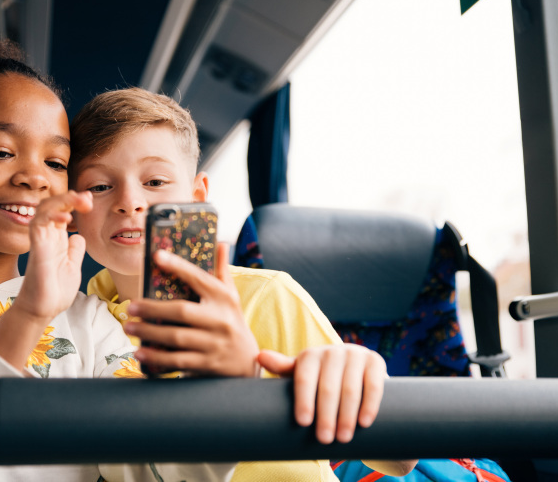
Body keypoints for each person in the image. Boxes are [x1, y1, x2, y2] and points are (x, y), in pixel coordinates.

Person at [0, 25, 237, 481]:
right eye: (0, 151)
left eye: (56, 163)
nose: (34, 177)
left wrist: (229, 382)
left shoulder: (92, 322)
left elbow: (157, 469)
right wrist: (26, 319)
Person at [68, 87, 418, 480]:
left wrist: (357, 379)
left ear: (197, 198)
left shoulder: (269, 296)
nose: (129, 201)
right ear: (71, 211)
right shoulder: (75, 322)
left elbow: (399, 461)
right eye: (100, 186)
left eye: (155, 181)